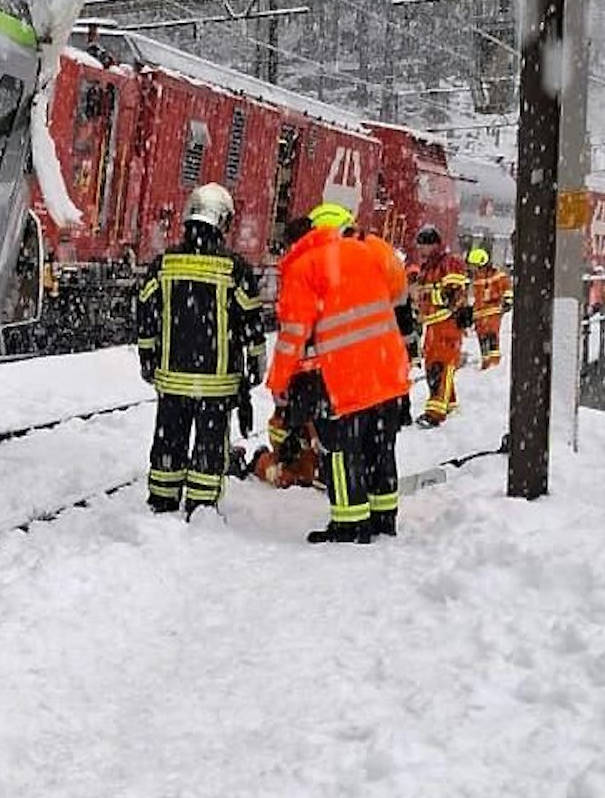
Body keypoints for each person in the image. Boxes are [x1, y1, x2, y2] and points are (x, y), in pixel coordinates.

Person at [266, 202, 414, 544]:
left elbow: (293, 336)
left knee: (340, 451)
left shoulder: (305, 267)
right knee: (380, 448)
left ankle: (349, 524)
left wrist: (279, 382)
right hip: (387, 370)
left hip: (344, 379)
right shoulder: (368, 254)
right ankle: (382, 518)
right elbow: (395, 298)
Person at [133, 183, 266, 519]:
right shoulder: (234, 269)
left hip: (172, 377)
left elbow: (146, 316)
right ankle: (201, 507)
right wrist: (255, 364)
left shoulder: (164, 265)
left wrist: (147, 358)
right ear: (222, 221)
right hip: (216, 383)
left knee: (169, 440)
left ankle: (162, 499)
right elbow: (251, 322)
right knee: (209, 445)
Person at [412, 225, 473, 427]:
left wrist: (440, 299)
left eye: (424, 245)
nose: (420, 250)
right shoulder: (427, 267)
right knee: (433, 366)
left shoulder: (448, 262)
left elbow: (454, 291)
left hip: (447, 322)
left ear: (434, 245)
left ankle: (435, 413)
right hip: (433, 323)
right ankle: (449, 404)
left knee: (441, 365)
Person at [467, 246, 512, 369]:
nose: (473, 268)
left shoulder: (496, 275)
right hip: (479, 314)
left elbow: (506, 287)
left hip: (492, 312)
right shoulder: (475, 278)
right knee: (482, 338)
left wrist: (508, 300)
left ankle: (494, 363)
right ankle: (486, 363)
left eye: (474, 265)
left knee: (491, 336)